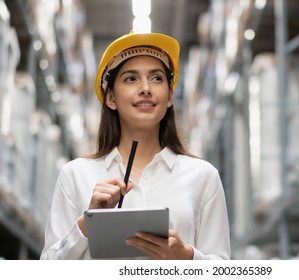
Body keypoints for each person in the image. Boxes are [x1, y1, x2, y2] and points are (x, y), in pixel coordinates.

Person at [40, 32, 230, 260]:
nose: (146, 88)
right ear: (111, 97)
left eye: (157, 78)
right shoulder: (75, 175)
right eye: (131, 79)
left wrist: (187, 258)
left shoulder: (203, 176)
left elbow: (222, 267)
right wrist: (85, 225)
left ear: (169, 96)